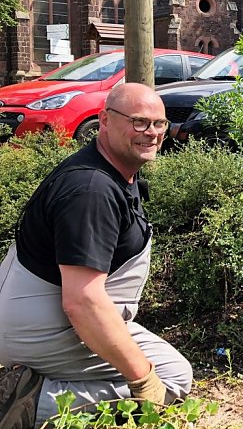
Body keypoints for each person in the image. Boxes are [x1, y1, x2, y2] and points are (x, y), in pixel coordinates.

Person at [0, 83, 193, 429]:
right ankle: (27, 400)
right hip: (43, 331)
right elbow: (83, 302)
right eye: (138, 122)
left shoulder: (111, 172)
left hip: (49, 321)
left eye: (159, 124)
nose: (151, 133)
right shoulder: (91, 191)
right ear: (104, 120)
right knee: (170, 377)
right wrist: (141, 379)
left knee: (165, 367)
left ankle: (38, 386)